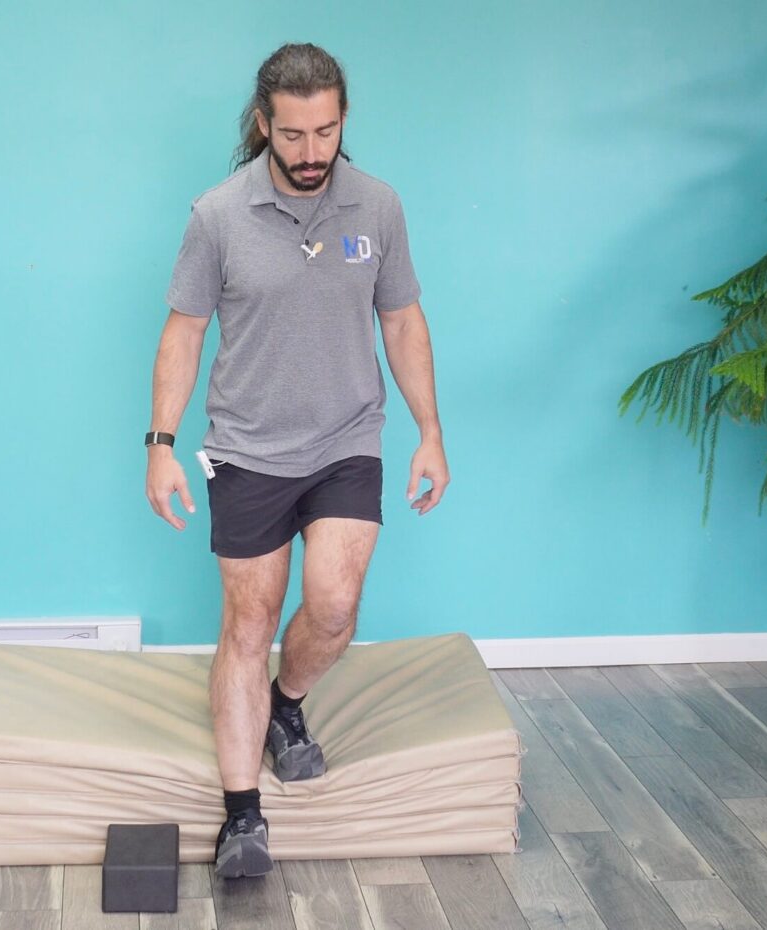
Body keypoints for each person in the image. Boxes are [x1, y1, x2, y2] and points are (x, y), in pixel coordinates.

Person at [145, 42, 449, 878]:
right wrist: (161, 444)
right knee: (248, 625)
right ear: (263, 124)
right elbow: (184, 333)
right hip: (248, 449)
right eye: (292, 135)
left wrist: (430, 431)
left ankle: (286, 704)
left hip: (347, 438)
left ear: (343, 119)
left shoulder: (377, 206)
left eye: (325, 132)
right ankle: (243, 816)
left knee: (336, 605)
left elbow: (402, 322)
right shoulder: (217, 215)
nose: (311, 152)